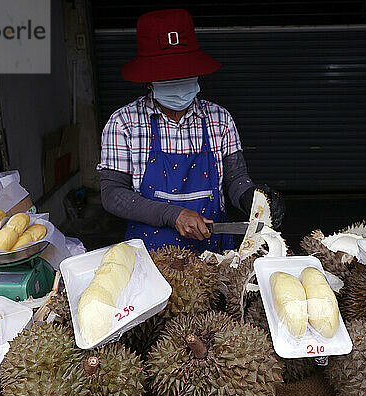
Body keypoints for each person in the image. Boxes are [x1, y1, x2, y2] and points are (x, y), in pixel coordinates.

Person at [98, 8, 284, 252]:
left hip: (214, 252)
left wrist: (254, 199)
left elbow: (236, 179)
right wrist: (172, 214)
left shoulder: (219, 119)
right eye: (167, 76)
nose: (177, 81)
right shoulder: (123, 123)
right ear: (149, 80)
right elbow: (113, 194)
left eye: (184, 73)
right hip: (149, 254)